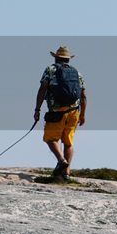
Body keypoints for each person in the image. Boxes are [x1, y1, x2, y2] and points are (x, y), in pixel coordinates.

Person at [34, 46, 86, 179]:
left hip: (56, 112)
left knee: (51, 139)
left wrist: (37, 109)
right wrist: (82, 114)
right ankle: (66, 173)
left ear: (56, 58)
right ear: (68, 59)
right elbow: (83, 95)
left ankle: (61, 161)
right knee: (68, 142)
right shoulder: (77, 72)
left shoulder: (50, 70)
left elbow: (42, 89)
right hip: (74, 111)